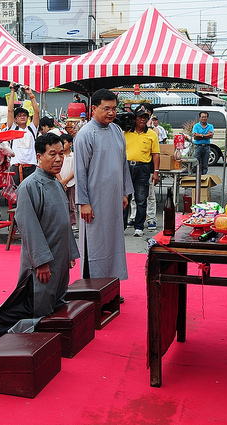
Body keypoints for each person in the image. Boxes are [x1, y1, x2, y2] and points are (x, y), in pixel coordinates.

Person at [0, 132, 80, 338]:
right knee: (37, 298)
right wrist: (41, 261)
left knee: (56, 294)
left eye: (61, 154)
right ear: (38, 156)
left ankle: (52, 328)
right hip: (43, 256)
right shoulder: (30, 185)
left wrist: (70, 251)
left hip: (59, 252)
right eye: (52, 154)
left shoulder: (55, 182)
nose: (59, 159)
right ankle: (1, 326)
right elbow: (28, 226)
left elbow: (64, 222)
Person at [75, 88, 133, 302]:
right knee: (95, 245)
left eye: (114, 108)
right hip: (94, 201)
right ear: (93, 109)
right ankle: (93, 292)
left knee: (114, 245)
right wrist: (84, 202)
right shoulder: (85, 135)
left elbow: (123, 163)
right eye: (106, 108)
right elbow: (80, 171)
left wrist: (125, 192)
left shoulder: (117, 131)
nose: (111, 113)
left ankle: (111, 289)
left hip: (114, 199)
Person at [123, 104, 160, 237]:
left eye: (145, 117)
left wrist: (156, 172)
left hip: (143, 168)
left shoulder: (151, 134)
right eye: (140, 117)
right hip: (126, 167)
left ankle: (139, 226)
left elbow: (156, 154)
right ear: (134, 119)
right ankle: (122, 225)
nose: (143, 120)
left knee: (141, 198)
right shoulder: (125, 132)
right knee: (125, 197)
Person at [6, 82, 40, 186]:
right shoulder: (12, 128)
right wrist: (12, 91)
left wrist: (31, 94)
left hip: (31, 166)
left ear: (28, 118)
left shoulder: (32, 129)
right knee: (17, 195)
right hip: (16, 166)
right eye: (19, 115)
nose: (22, 117)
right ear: (15, 119)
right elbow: (10, 110)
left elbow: (36, 112)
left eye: (24, 115)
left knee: (31, 193)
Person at [57, 133, 77, 229]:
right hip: (60, 182)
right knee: (60, 203)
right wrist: (61, 181)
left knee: (71, 203)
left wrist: (66, 180)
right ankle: (61, 222)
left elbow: (76, 170)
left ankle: (72, 223)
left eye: (64, 143)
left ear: (70, 144)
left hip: (71, 183)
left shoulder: (74, 156)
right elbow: (55, 169)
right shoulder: (59, 156)